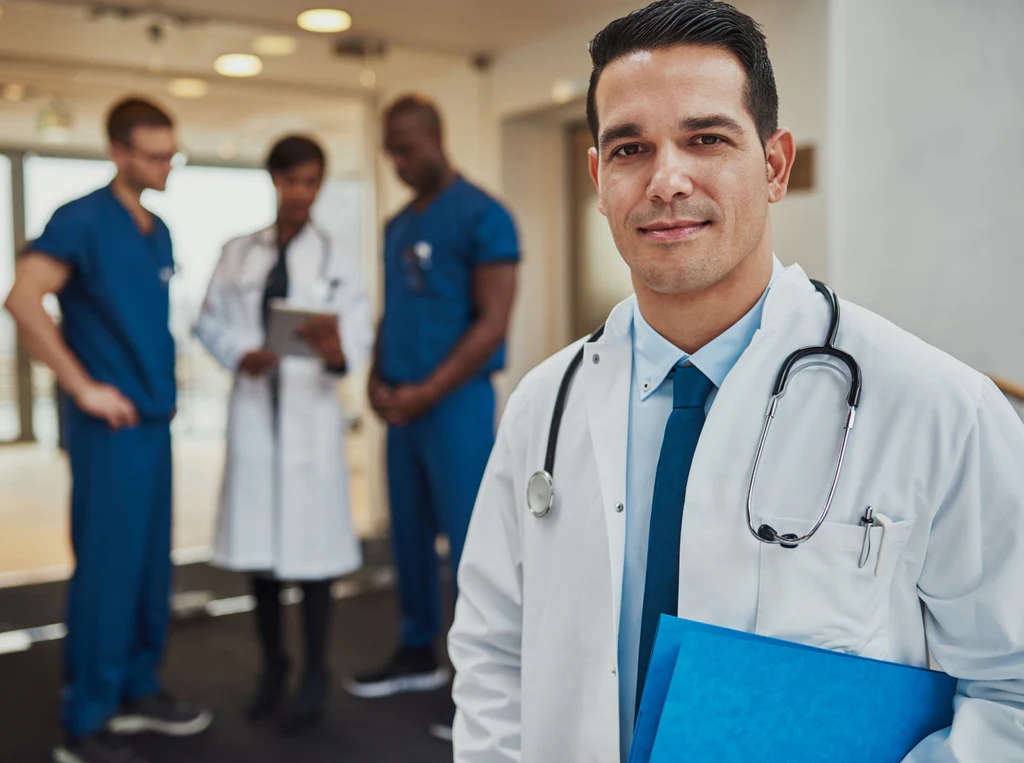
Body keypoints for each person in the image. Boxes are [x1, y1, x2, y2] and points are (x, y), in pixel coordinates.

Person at [448, 1, 1024, 761]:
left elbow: (1009, 686)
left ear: (775, 165)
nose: (666, 180)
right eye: (629, 149)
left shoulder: (940, 408)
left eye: (706, 138)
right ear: (598, 177)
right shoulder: (543, 405)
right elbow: (492, 649)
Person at [4, 97, 211, 763]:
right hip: (110, 427)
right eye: (153, 155)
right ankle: (85, 716)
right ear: (118, 152)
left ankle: (135, 688)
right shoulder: (81, 219)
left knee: (153, 567)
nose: (165, 166)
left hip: (154, 423)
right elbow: (23, 298)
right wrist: (82, 384)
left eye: (171, 154)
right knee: (108, 567)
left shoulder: (159, 229)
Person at [345, 95, 519, 740]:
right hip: (403, 409)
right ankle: (417, 651)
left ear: (436, 138)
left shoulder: (484, 216)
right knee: (409, 537)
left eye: (407, 148)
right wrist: (375, 377)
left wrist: (430, 390)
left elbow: (492, 320)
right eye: (389, 149)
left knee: (472, 544)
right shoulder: (396, 224)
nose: (397, 161)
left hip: (457, 406)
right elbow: (393, 311)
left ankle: (484, 683)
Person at [194, 135, 373, 733]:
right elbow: (208, 320)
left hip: (309, 417)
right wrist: (237, 353)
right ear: (274, 181)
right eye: (294, 181)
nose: (303, 193)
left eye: (313, 182)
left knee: (315, 559)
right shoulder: (238, 252)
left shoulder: (337, 256)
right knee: (262, 561)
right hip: (255, 412)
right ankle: (274, 666)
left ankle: (315, 671)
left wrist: (334, 349)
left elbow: (356, 342)